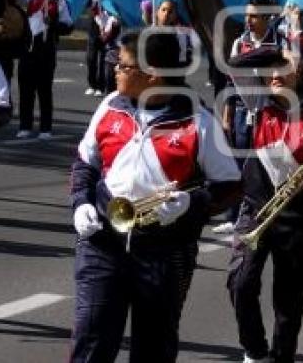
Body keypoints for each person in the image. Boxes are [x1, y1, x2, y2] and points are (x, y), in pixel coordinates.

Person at [69, 31, 241, 362]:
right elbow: (84, 163)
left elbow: (231, 186)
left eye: (123, 65)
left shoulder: (198, 121)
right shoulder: (109, 106)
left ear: (153, 75)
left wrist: (193, 204)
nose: (115, 70)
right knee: (90, 341)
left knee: (153, 348)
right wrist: (81, 203)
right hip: (102, 245)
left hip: (165, 254)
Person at [226, 47, 303, 363]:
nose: (275, 75)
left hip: (298, 218)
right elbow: (236, 64)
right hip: (256, 210)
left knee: (289, 301)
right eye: (271, 69)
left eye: (285, 69)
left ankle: (282, 357)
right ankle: (255, 350)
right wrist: (276, 52)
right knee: (241, 284)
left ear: (300, 74)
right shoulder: (256, 100)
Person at [218, 0, 285, 234]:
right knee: (237, 163)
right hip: (241, 113)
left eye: (254, 16)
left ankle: (260, 213)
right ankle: (233, 215)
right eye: (247, 15)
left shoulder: (280, 44)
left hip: (269, 114)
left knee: (263, 165)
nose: (249, 20)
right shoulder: (240, 43)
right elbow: (230, 83)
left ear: (267, 18)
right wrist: (227, 117)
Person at [17, 0, 73, 139]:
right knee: (25, 89)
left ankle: (45, 128)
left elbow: (68, 27)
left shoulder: (60, 1)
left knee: (44, 91)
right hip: (28, 50)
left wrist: (53, 23)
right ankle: (25, 126)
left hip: (46, 52)